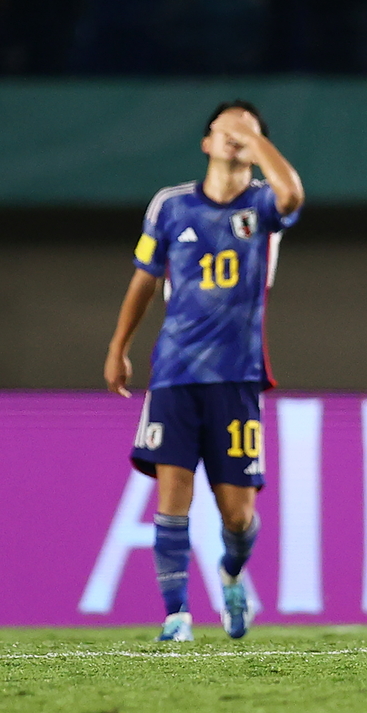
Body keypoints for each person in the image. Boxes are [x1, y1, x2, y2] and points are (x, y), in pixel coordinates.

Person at [104, 101, 304, 642]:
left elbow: (293, 196)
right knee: (172, 497)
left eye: (248, 128)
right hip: (174, 373)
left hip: (237, 378)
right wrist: (119, 345)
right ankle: (176, 617)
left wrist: (254, 140)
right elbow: (144, 279)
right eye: (227, 127)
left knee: (237, 516)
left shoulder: (262, 205)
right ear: (205, 142)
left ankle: (232, 573)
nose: (236, 134)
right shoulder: (170, 206)